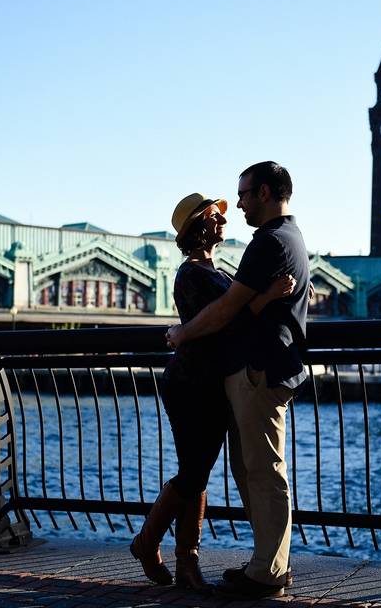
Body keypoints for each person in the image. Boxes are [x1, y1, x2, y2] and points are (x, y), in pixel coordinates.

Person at [130, 192, 295, 592]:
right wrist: (269, 296)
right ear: (199, 227)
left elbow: (233, 311)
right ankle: (147, 542)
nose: (224, 220)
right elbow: (227, 320)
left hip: (210, 384)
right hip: (189, 385)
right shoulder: (191, 273)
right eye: (215, 217)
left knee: (199, 472)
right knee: (193, 472)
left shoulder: (216, 269)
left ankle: (188, 563)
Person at [166, 161, 310, 600]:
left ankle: (268, 571)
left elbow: (228, 310)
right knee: (250, 470)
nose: (240, 204)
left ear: (265, 192)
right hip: (257, 370)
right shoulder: (287, 237)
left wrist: (180, 334)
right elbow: (237, 305)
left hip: (258, 371)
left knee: (261, 472)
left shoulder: (268, 243)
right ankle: (266, 565)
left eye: (244, 194)